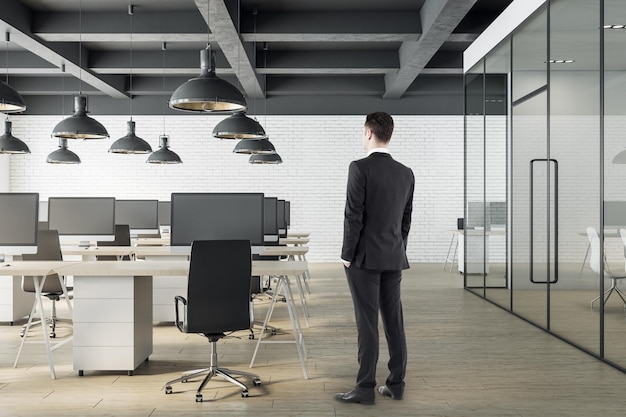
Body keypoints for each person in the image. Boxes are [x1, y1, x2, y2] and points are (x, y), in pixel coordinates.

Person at [335, 112, 414, 405]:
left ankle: (365, 388)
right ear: (388, 134)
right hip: (394, 256)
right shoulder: (406, 172)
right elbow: (406, 220)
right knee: (394, 321)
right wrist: (397, 248)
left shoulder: (359, 168)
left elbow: (353, 215)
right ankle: (396, 384)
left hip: (364, 259)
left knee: (366, 323)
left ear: (369, 133)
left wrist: (347, 254)